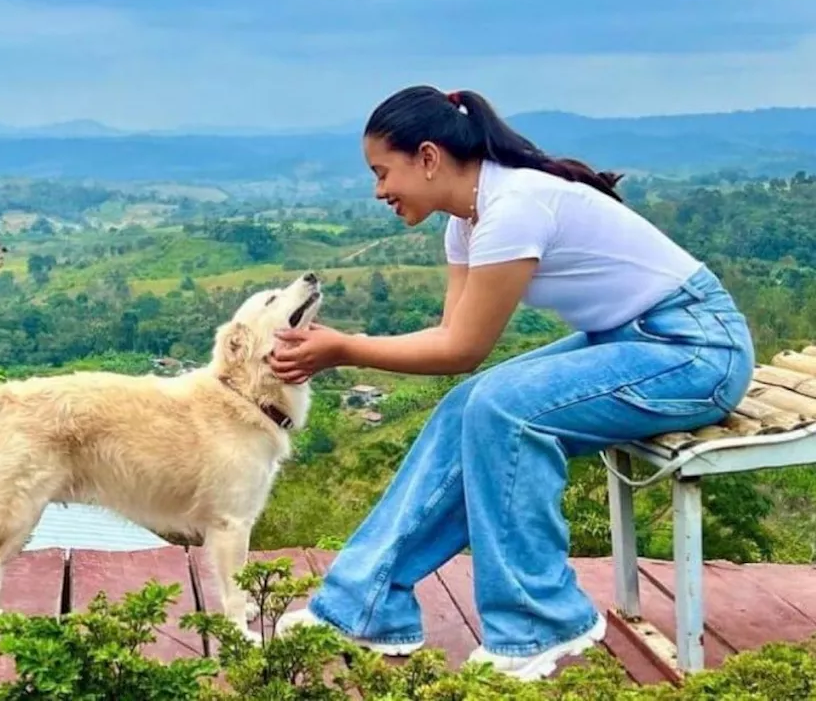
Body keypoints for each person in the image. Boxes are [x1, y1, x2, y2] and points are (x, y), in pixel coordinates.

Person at [267, 85, 755, 681]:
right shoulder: (466, 224)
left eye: (382, 171)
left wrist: (342, 349)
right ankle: (364, 603)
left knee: (505, 408)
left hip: (698, 350)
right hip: (631, 341)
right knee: (467, 405)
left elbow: (463, 349)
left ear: (427, 157)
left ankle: (537, 623)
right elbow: (452, 339)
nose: (379, 192)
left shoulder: (513, 207)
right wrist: (345, 349)